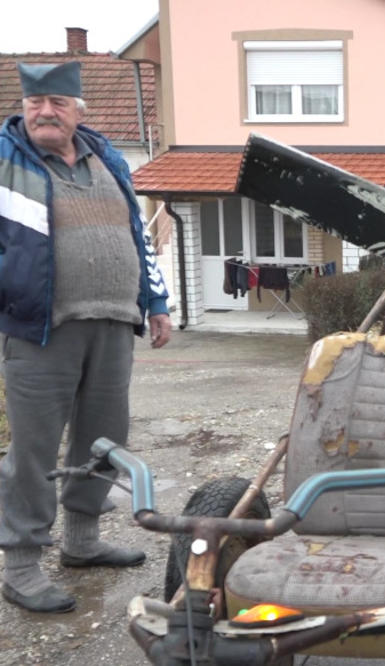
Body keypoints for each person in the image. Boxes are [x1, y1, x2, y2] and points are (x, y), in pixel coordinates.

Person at [0, 61, 172, 613]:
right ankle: (21, 565)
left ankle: (81, 542)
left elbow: (138, 235)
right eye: (35, 103)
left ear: (78, 110)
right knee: (32, 449)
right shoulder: (5, 162)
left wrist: (157, 303)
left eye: (57, 103)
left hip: (113, 322)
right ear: (23, 106)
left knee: (102, 437)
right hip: (39, 328)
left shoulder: (108, 158)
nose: (45, 112)